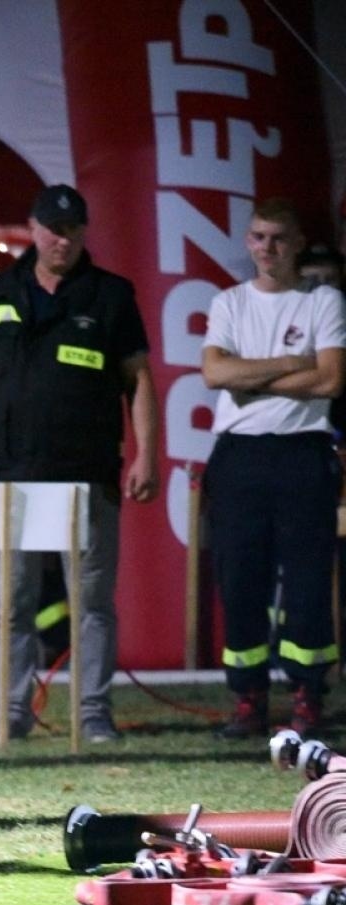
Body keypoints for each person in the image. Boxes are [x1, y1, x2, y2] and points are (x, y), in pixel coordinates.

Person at [0, 184, 159, 745]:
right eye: (49, 228)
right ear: (33, 226)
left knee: (90, 603)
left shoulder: (110, 295)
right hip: (11, 470)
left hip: (86, 470)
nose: (59, 239)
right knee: (12, 602)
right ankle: (9, 713)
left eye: (69, 230)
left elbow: (138, 378)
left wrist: (146, 453)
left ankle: (92, 712)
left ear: (83, 233)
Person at [200, 197, 344, 739]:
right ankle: (249, 699)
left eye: (279, 238)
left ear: (299, 242)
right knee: (239, 578)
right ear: (247, 241)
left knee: (307, 580)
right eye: (258, 237)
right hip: (239, 454)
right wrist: (289, 364)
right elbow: (214, 374)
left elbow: (330, 379)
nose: (267, 248)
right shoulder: (229, 302)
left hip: (302, 451)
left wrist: (249, 379)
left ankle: (308, 696)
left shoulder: (323, 301)